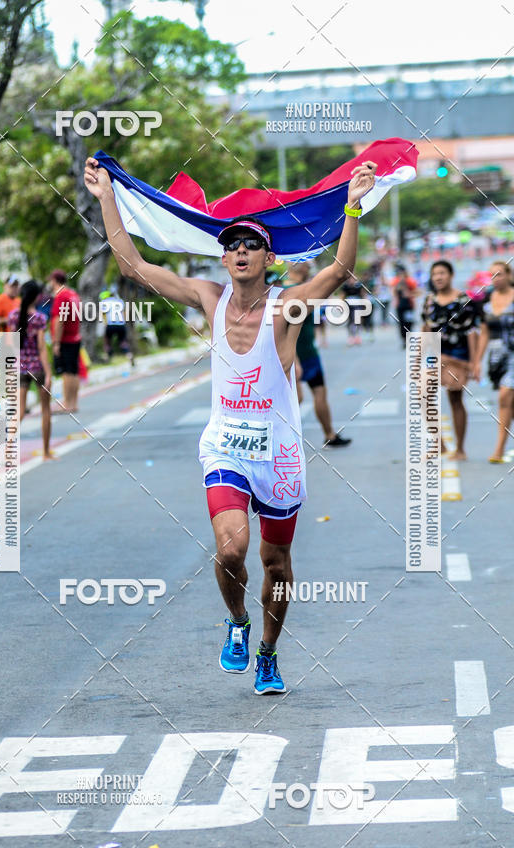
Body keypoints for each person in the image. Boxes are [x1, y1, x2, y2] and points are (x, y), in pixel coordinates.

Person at [84, 154, 376, 693]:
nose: (239, 252)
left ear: (269, 255)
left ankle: (268, 650)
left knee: (278, 564)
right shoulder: (208, 298)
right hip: (226, 446)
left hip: (280, 455)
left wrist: (353, 202)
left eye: (250, 245)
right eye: (231, 245)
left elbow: (339, 271)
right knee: (232, 550)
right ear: (223, 258)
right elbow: (134, 267)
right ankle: (238, 624)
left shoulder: (286, 307)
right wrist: (107, 196)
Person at [284, 262, 351, 448]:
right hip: (294, 354)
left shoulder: (288, 290)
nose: (310, 268)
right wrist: (293, 358)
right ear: (298, 266)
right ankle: (283, 439)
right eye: (307, 265)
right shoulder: (293, 292)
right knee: (295, 398)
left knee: (318, 392)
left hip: (308, 352)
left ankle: (330, 434)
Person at [421, 260, 477, 461]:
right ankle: (440, 445)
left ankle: (460, 449)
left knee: (455, 399)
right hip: (435, 355)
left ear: (450, 275)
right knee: (423, 394)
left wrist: (474, 362)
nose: (438, 277)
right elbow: (426, 328)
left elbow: (472, 332)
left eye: (442, 273)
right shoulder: (428, 300)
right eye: (435, 274)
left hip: (458, 355)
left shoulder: (463, 300)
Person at [8, 279, 54, 460]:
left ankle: (7, 449)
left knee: (19, 412)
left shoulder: (13, 317)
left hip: (20, 368)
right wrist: (49, 372)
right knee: (45, 410)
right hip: (37, 368)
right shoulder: (40, 318)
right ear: (36, 297)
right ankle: (46, 452)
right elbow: (42, 348)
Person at [473, 261, 514, 463]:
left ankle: (499, 449)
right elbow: (484, 333)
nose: (496, 279)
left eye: (499, 274)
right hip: (497, 357)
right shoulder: (487, 299)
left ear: (508, 275)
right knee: (508, 401)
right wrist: (477, 361)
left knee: (505, 397)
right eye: (492, 275)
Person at [49, 269, 82, 414]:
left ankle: (67, 404)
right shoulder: (73, 294)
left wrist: (56, 342)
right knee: (74, 371)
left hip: (65, 339)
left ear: (55, 281)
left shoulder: (61, 296)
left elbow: (59, 320)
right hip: (75, 337)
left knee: (67, 372)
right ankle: (73, 403)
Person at [391, 264, 417, 348]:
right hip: (400, 306)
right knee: (401, 323)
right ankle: (404, 340)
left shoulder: (410, 281)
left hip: (409, 306)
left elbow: (417, 291)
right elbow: (393, 292)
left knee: (409, 322)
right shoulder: (396, 281)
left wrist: (409, 294)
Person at [341, 276, 367, 346]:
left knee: (358, 321)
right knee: (350, 321)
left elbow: (363, 294)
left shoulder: (358, 286)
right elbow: (343, 296)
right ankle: (351, 337)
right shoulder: (346, 286)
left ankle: (357, 336)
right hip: (349, 305)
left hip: (357, 305)